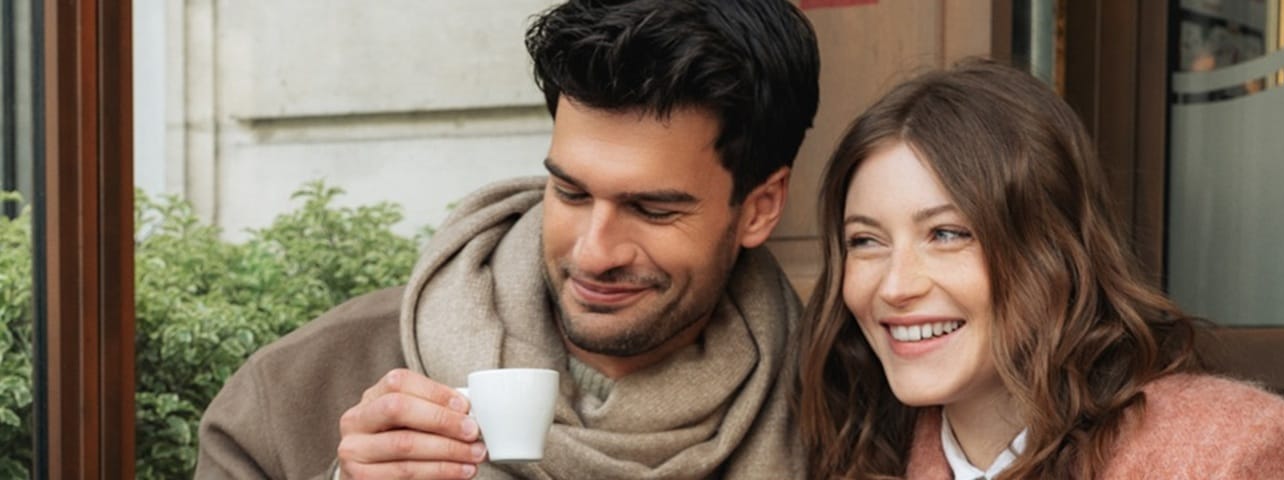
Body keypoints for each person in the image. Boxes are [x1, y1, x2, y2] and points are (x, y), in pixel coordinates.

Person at [195, 1, 819, 478]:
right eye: (571, 194)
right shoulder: (293, 394)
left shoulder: (842, 416)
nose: (595, 253)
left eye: (652, 209)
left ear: (759, 208)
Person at [796, 59, 1284, 479]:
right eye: (865, 241)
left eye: (947, 233)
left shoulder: (1234, 453)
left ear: (1052, 248)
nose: (895, 286)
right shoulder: (850, 453)